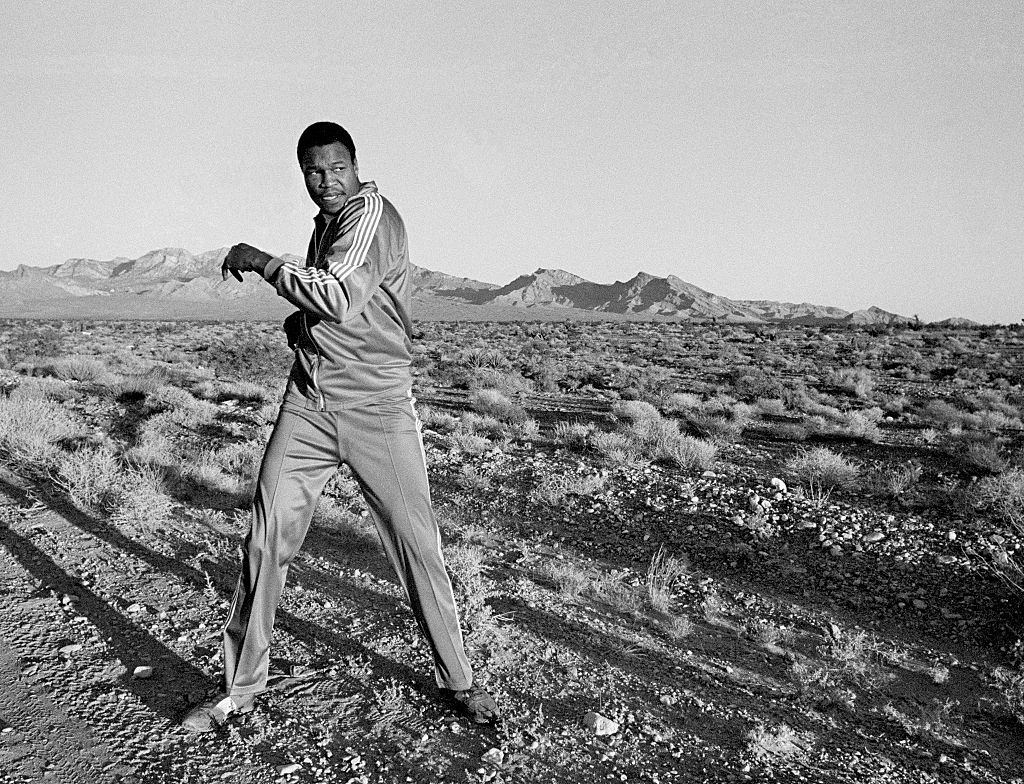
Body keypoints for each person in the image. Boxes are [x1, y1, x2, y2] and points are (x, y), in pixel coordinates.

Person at [181, 121, 499, 732]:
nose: (325, 181)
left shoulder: (371, 216)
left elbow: (337, 296)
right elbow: (331, 315)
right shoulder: (326, 223)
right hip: (309, 404)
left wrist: (261, 261)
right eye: (312, 171)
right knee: (266, 537)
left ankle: (457, 680)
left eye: (336, 168)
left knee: (416, 546)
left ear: (356, 164)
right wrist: (301, 333)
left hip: (378, 410)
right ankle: (242, 687)